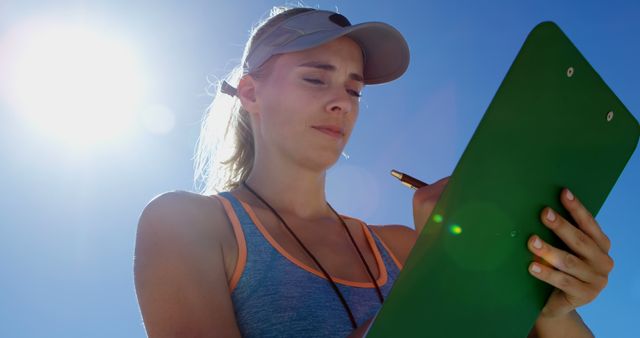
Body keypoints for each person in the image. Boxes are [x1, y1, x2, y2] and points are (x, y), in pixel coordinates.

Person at [133, 6, 614, 338]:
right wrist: (438, 279)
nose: (341, 100)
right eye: (315, 78)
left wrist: (552, 306)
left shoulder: (401, 246)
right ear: (251, 94)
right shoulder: (188, 224)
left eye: (355, 89)